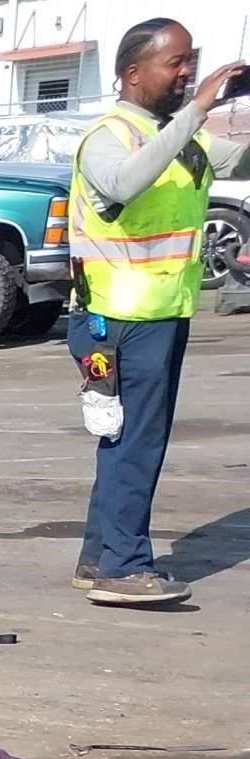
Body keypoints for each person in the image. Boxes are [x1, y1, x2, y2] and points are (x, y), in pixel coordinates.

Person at [68, 18, 246, 606]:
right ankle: (123, 566)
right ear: (132, 72)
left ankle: (100, 558)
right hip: (117, 320)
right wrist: (196, 109)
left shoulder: (175, 133)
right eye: (175, 62)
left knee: (128, 439)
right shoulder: (109, 136)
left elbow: (234, 159)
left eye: (191, 60)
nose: (188, 71)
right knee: (134, 442)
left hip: (160, 313)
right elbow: (123, 182)